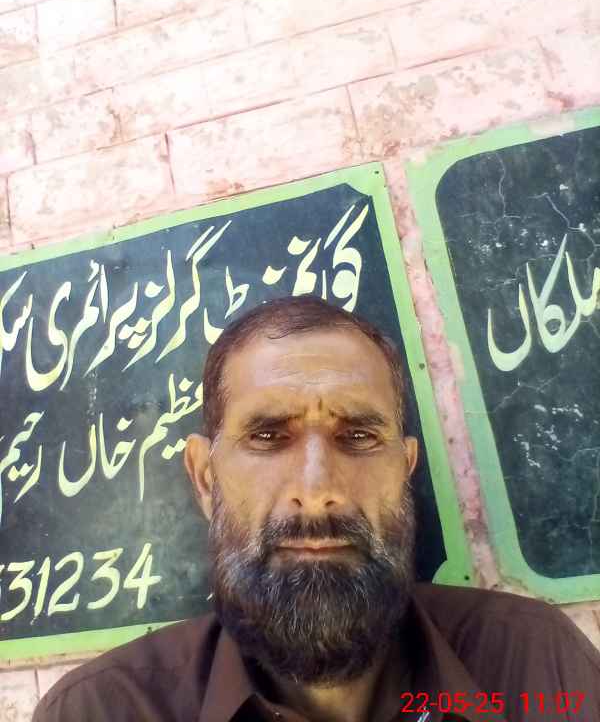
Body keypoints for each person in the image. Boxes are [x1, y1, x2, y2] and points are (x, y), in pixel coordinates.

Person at [33, 297, 600, 722]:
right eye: (267, 436)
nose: (318, 489)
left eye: (358, 436)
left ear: (405, 469)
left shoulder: (535, 665)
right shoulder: (100, 710)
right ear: (206, 478)